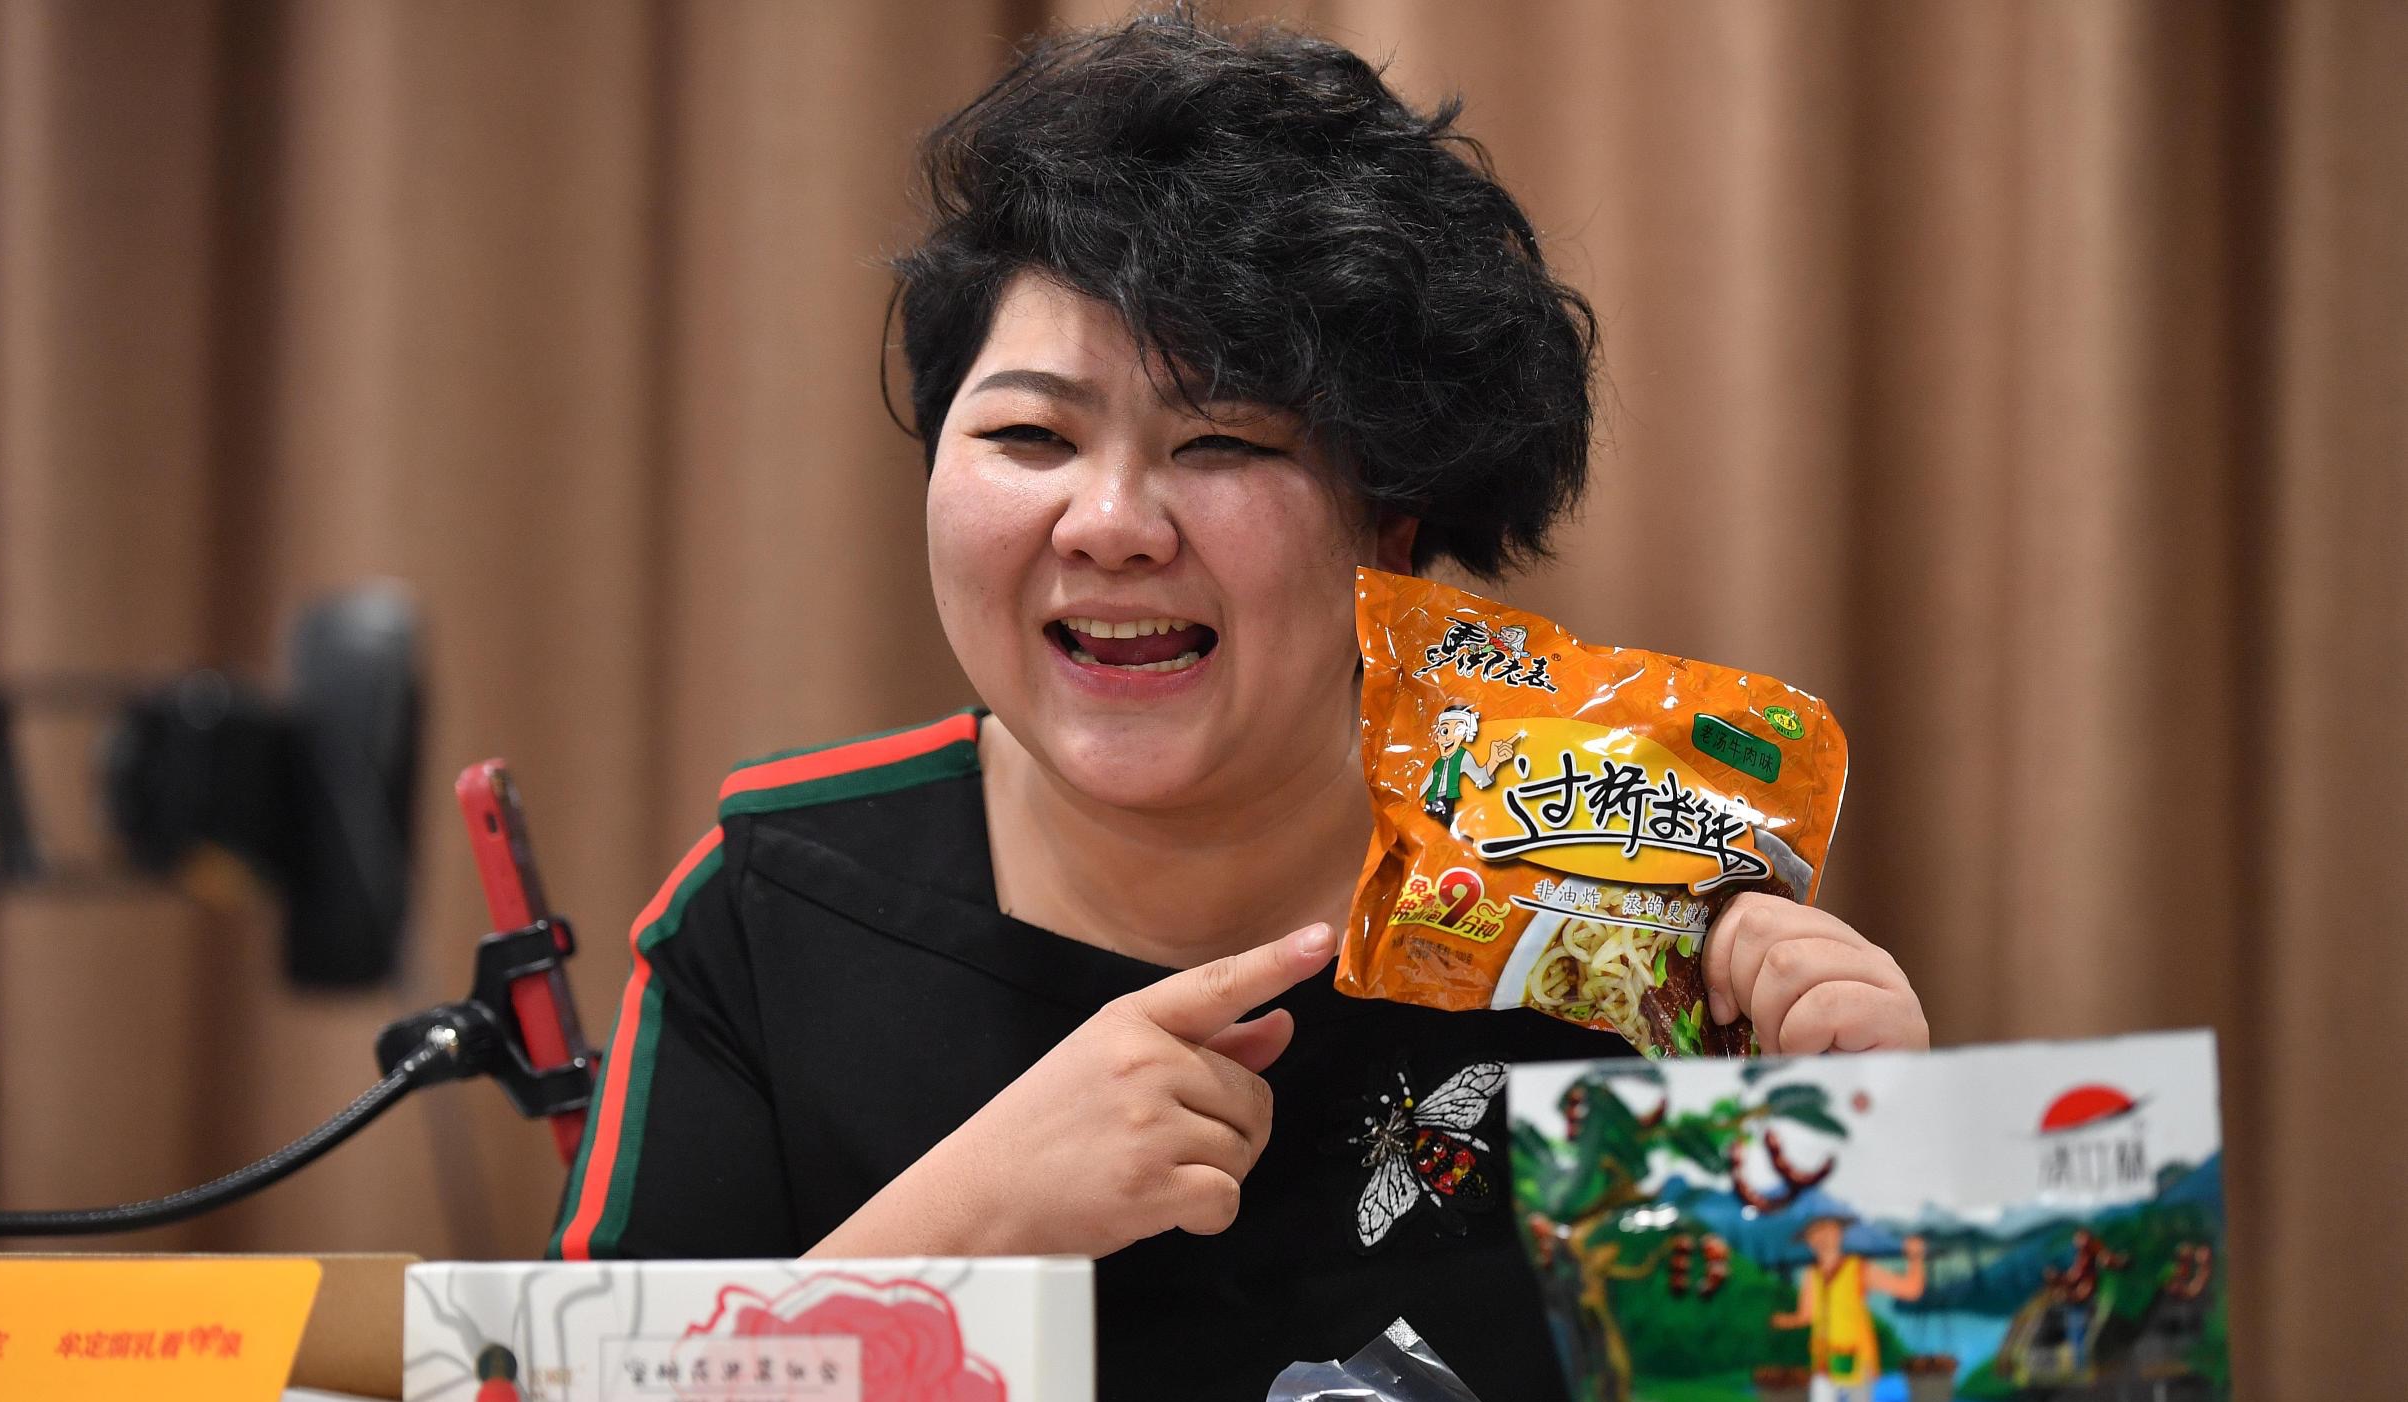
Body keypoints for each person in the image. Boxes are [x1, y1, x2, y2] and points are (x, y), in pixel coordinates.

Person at [547, 13, 1930, 1400]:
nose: (1108, 523)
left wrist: (1867, 1169)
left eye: (1220, 441)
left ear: (1389, 529)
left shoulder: (1612, 934)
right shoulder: (776, 911)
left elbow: (1804, 1367)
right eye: (1029, 433)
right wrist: (969, 1227)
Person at [1770, 1219, 1929, 1402]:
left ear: (1839, 1234)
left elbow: (1910, 1290)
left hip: (1857, 1361)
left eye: (1827, 1231)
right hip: (1823, 1363)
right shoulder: (1812, 1275)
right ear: (1808, 1241)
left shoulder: (1859, 1268)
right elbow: (1806, 1316)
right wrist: (1778, 1321)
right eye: (1814, 1234)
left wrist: (1915, 1257)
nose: (1822, 1238)